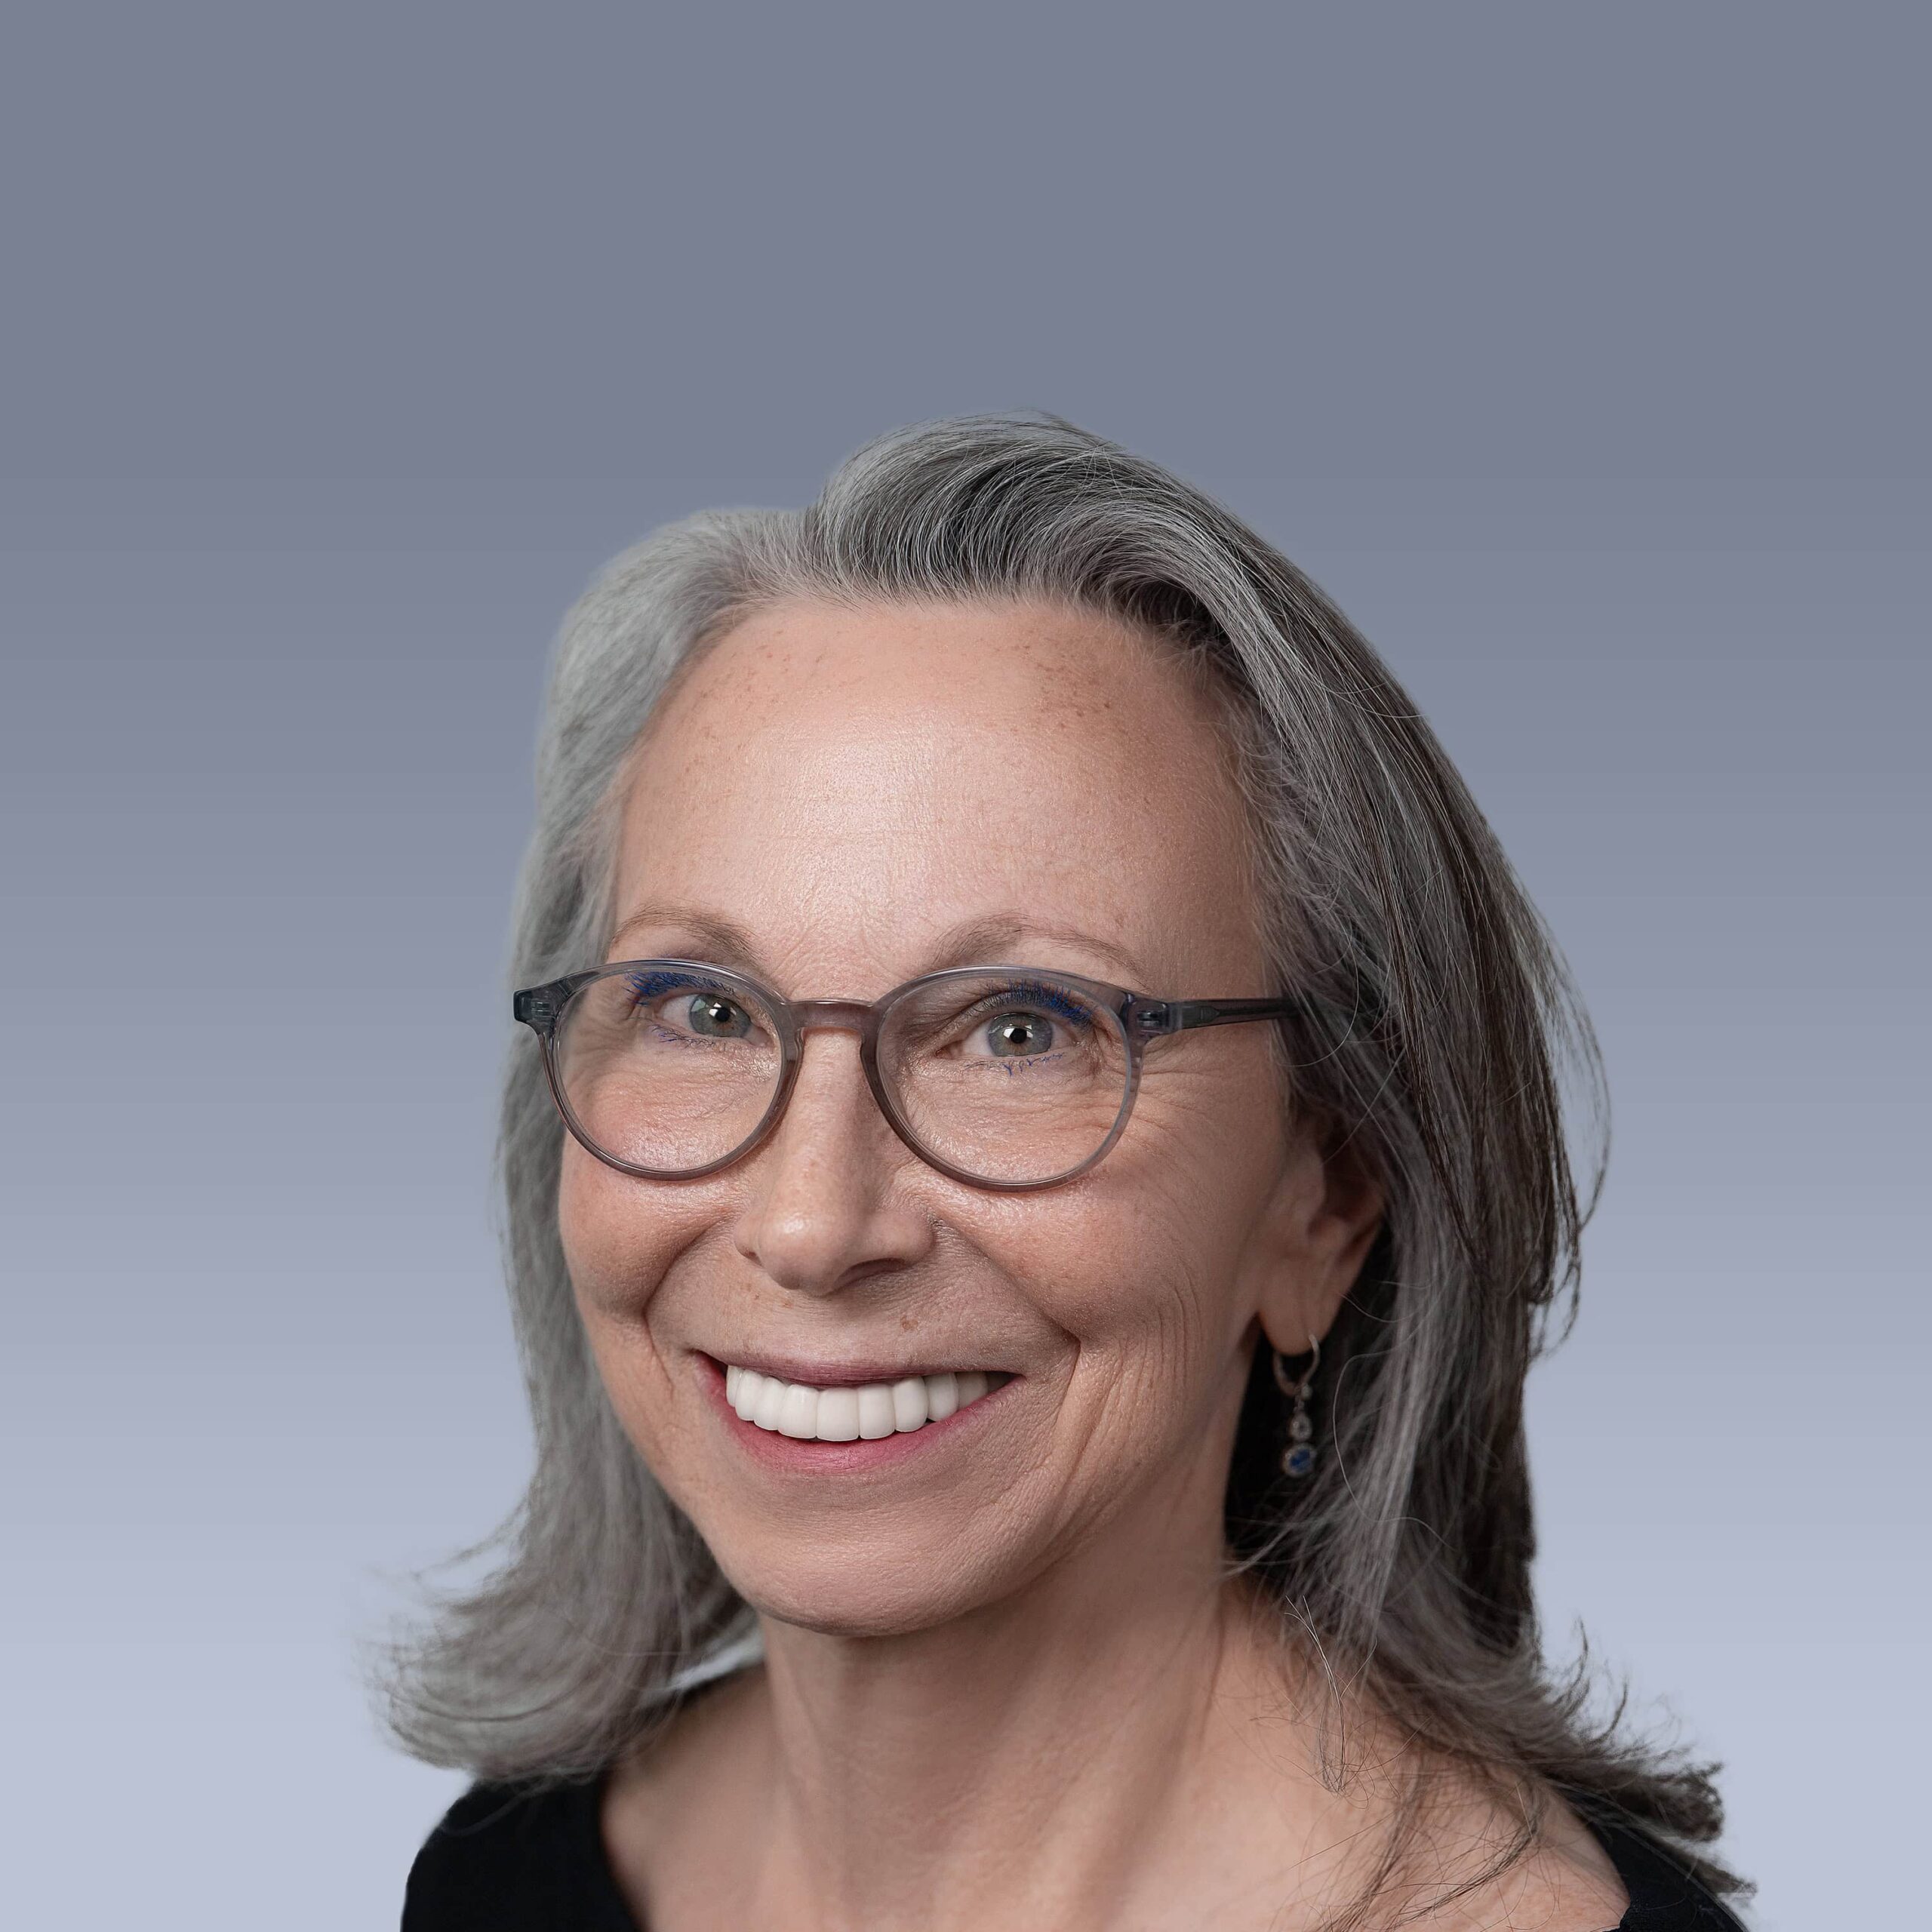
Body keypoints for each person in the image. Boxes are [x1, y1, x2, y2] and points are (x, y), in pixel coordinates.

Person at [383, 417, 1750, 1929]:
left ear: (1327, 1188)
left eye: (1020, 1030)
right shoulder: (501, 1880)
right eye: (702, 1009)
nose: (810, 1220)